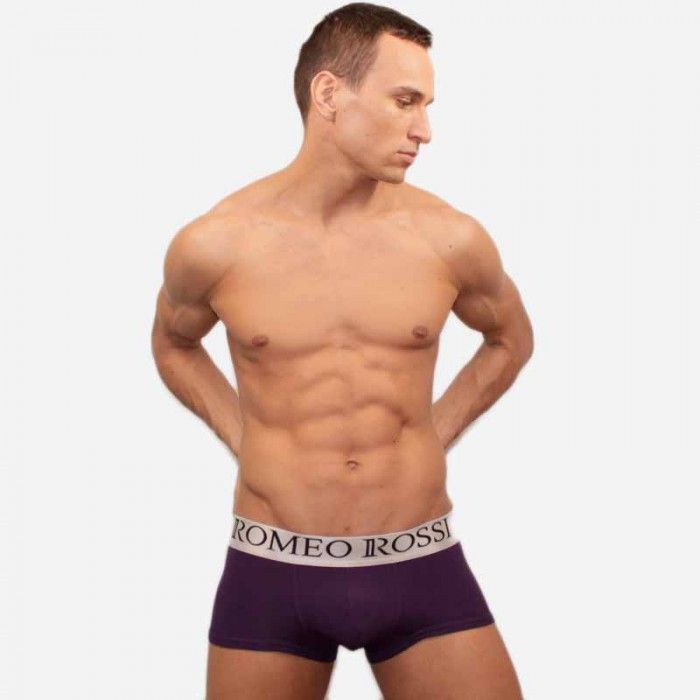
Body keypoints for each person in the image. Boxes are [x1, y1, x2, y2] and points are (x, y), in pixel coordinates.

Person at [151, 3, 533, 698]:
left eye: (427, 106)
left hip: (419, 559)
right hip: (272, 568)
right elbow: (174, 344)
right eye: (405, 101)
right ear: (329, 93)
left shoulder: (450, 238)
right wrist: (243, 434)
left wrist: (431, 433)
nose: (424, 129)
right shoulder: (215, 243)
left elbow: (510, 339)